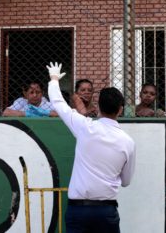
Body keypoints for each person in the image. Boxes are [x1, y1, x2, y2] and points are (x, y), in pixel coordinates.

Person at [46, 62, 136, 233]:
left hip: (78, 210)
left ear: (99, 107)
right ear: (120, 109)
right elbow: (126, 181)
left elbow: (58, 103)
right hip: (106, 211)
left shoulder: (85, 127)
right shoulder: (128, 142)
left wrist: (54, 78)